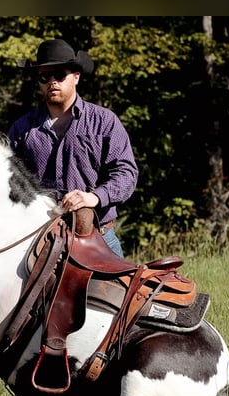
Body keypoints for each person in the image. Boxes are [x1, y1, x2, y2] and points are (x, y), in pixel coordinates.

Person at [8, 38, 139, 258]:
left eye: (59, 75)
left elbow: (127, 173)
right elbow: (8, 181)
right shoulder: (21, 129)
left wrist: (95, 197)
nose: (52, 82)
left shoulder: (104, 121)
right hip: (39, 239)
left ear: (76, 77)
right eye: (44, 76)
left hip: (98, 235)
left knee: (122, 291)